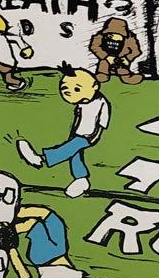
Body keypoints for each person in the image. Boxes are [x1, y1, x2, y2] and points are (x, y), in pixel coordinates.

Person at [15, 64, 110, 197]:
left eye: (77, 89)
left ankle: (41, 159)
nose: (69, 93)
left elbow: (102, 123)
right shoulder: (82, 102)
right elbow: (79, 118)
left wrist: (95, 136)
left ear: (94, 86)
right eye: (65, 89)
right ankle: (81, 180)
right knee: (75, 157)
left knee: (68, 150)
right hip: (77, 134)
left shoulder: (101, 102)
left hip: (88, 136)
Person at [89, 17, 143, 85]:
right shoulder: (100, 37)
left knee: (123, 70)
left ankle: (128, 78)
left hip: (121, 60)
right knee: (103, 65)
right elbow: (94, 47)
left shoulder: (130, 39)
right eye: (111, 35)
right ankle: (102, 75)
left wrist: (127, 58)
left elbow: (136, 51)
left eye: (117, 36)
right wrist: (106, 56)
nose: (114, 38)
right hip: (106, 59)